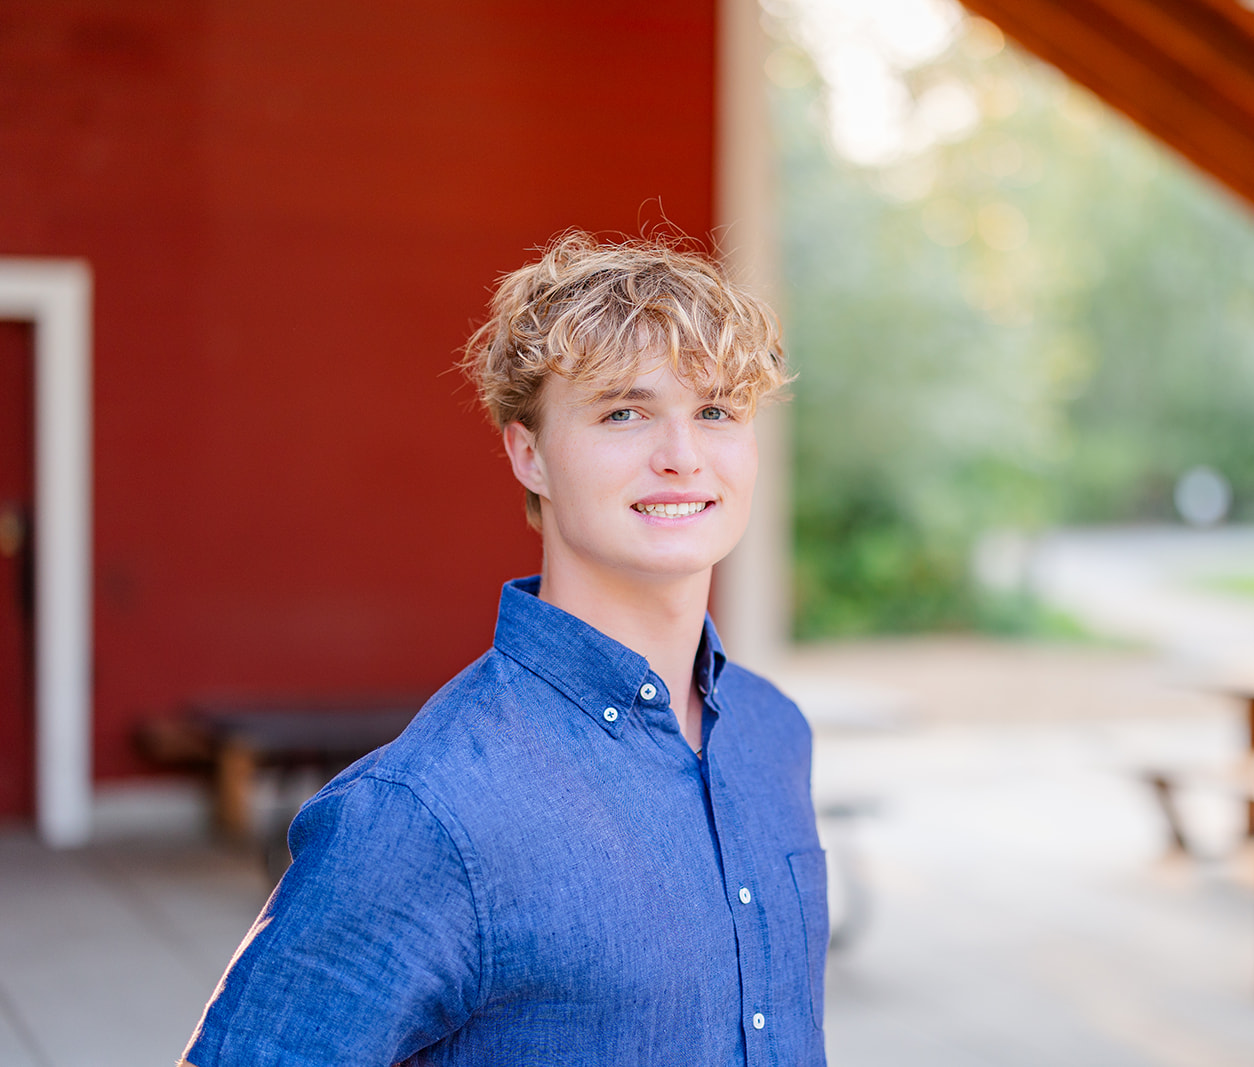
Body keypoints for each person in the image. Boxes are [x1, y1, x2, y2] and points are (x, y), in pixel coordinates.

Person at [181, 232, 827, 1066]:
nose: (681, 455)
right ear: (530, 455)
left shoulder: (774, 735)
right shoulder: (424, 808)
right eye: (622, 411)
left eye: (715, 411)